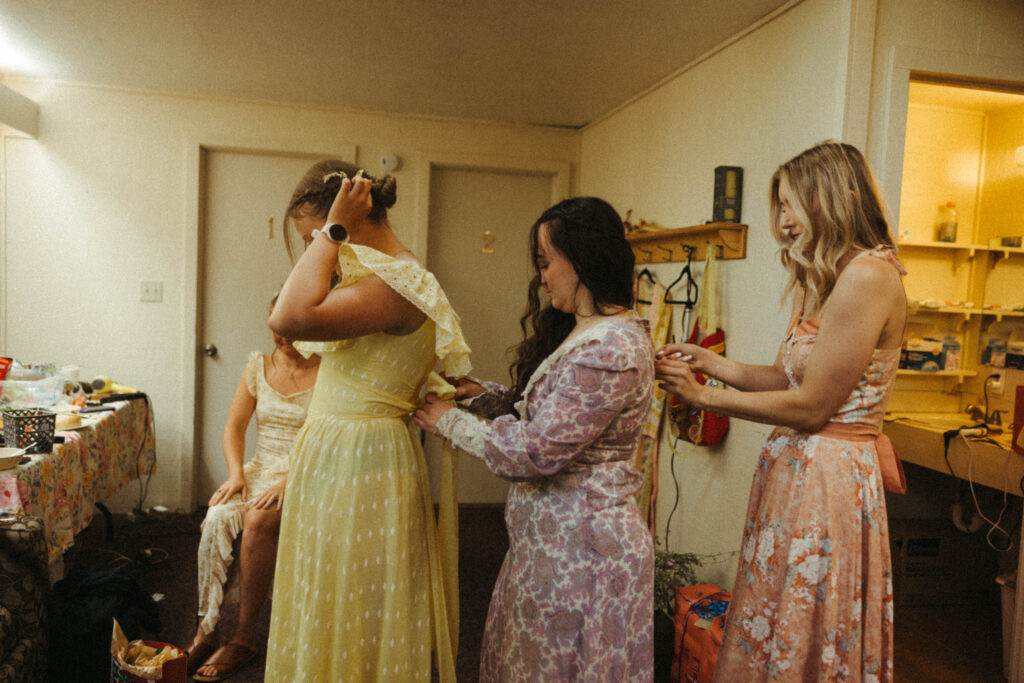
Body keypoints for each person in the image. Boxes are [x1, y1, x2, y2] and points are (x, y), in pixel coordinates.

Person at [655, 141, 906, 682]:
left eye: (791, 205)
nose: (784, 222)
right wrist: (711, 363)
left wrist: (703, 397)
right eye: (781, 208)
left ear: (829, 200)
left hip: (830, 481)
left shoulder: (869, 276)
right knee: (778, 608)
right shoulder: (823, 277)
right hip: (795, 472)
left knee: (810, 617)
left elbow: (813, 406)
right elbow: (783, 378)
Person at [414, 196, 656, 682]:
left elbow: (536, 451)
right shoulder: (587, 330)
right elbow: (550, 412)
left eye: (546, 264)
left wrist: (450, 423)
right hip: (552, 547)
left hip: (585, 556)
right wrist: (484, 396)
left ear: (581, 259)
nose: (542, 278)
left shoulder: (611, 349)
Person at [263, 160, 471, 681]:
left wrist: (331, 230)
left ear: (345, 215)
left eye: (313, 237)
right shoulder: (377, 277)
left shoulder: (394, 283)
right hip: (344, 453)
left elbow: (285, 318)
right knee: (330, 594)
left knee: (355, 599)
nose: (317, 251)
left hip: (362, 461)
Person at [185, 297, 320, 681]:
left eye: (294, 329)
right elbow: (234, 427)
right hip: (259, 469)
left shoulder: (330, 372)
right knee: (217, 516)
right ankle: (206, 631)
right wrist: (235, 475)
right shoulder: (258, 365)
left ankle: (244, 637)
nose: (283, 336)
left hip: (305, 472)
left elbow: (328, 440)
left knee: (258, 520)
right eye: (278, 325)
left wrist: (288, 481)